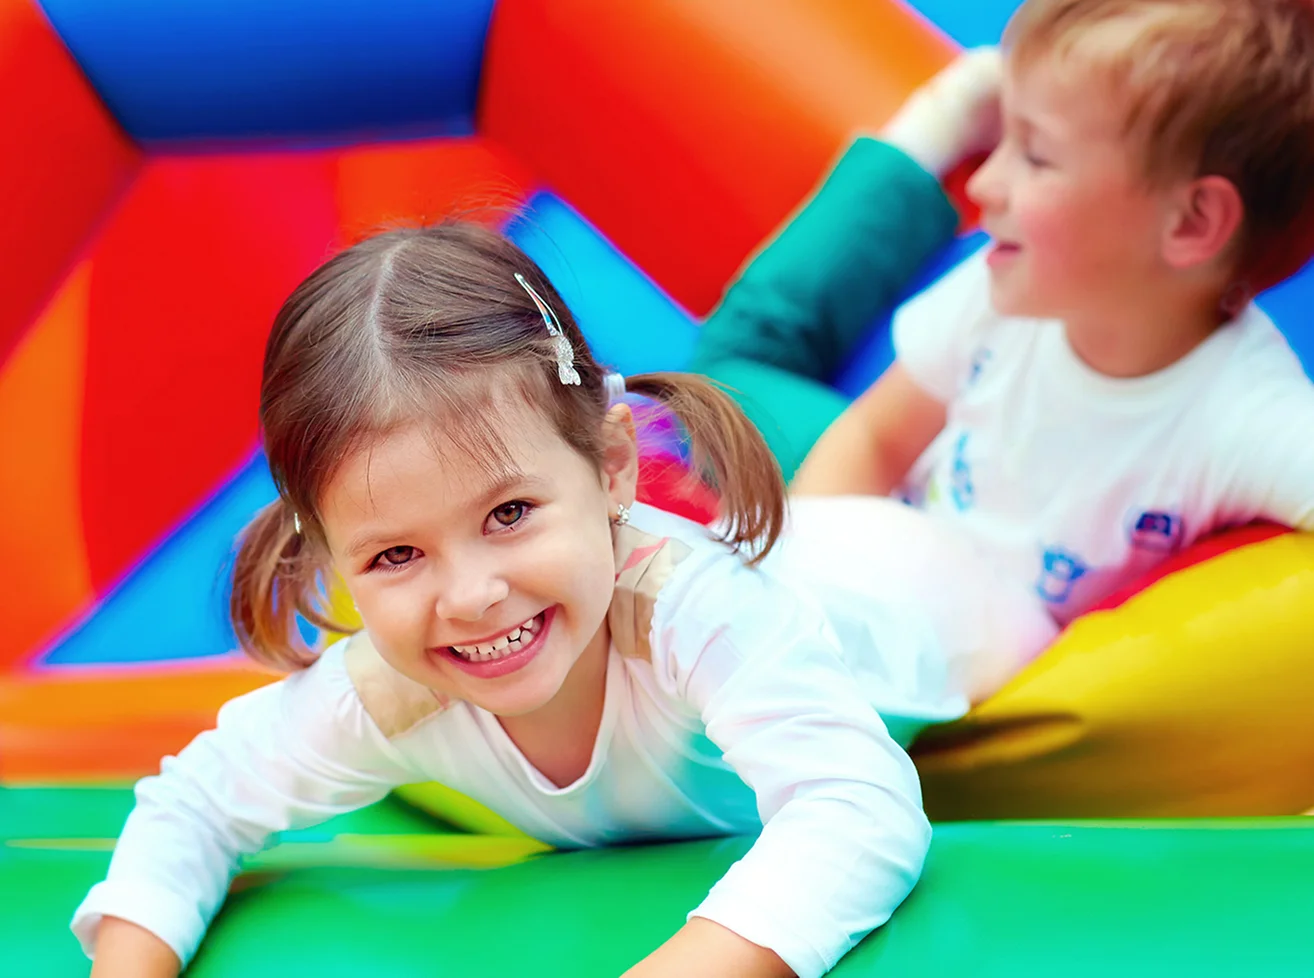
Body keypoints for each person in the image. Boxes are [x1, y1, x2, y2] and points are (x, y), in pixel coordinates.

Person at [72, 196, 1042, 976]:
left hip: (935, 588)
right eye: (396, 556)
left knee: (764, 363)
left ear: (614, 467)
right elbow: (194, 806)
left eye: (508, 514)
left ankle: (925, 152)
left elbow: (857, 807)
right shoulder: (390, 691)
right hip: (797, 553)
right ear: (328, 555)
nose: (470, 596)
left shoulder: (688, 610)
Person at [696, 0, 1314, 647]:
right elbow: (877, 439)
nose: (985, 185)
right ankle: (923, 145)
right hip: (893, 524)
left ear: (1191, 222)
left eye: (1036, 156)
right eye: (1007, 144)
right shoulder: (1011, 288)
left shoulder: (1244, 418)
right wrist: (797, 580)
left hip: (950, 638)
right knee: (733, 368)